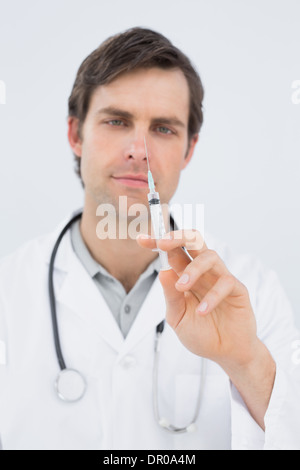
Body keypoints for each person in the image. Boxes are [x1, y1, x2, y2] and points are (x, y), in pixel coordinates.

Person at [0, 27, 300, 451]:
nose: (139, 150)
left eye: (163, 129)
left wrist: (246, 360)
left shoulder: (254, 290)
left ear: (189, 150)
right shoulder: (7, 294)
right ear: (75, 135)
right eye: (117, 121)